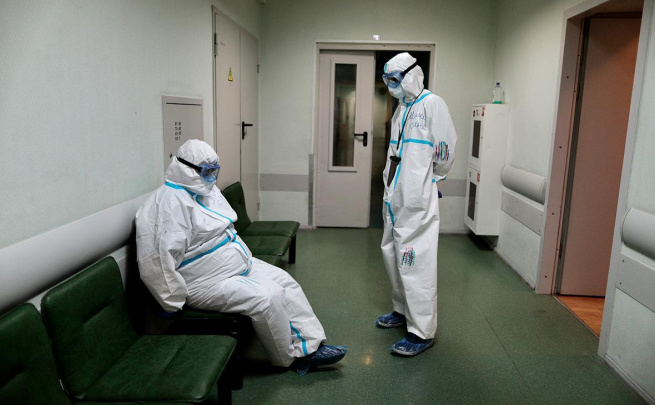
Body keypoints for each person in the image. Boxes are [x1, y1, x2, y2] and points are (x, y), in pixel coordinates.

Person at [135, 139, 347, 376]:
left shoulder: (205, 190)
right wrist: (172, 302)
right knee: (268, 297)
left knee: (286, 282)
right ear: (187, 168)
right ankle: (290, 358)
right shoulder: (167, 204)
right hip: (204, 282)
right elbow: (157, 261)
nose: (212, 177)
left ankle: (311, 345)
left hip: (238, 264)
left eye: (215, 170)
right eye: (207, 171)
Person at [376, 53, 458, 356]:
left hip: (416, 197)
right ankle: (401, 310)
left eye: (395, 80)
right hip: (394, 196)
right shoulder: (402, 108)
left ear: (411, 75)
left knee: (415, 262)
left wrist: (431, 181)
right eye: (387, 80)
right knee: (392, 253)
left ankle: (421, 331)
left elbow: (445, 150)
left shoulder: (432, 104)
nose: (391, 86)